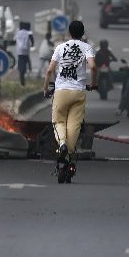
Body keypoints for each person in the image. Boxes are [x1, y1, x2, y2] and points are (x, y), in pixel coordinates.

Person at [42, 20, 97, 165]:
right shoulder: (87, 47)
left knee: (58, 121)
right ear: (83, 33)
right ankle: (69, 152)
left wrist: (45, 89)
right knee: (74, 125)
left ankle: (62, 144)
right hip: (78, 92)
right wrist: (93, 84)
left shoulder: (60, 47)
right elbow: (93, 67)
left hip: (61, 91)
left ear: (69, 33)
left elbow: (49, 70)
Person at [14, 22, 35, 86]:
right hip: (26, 50)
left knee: (21, 62)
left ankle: (22, 72)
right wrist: (32, 45)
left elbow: (14, 39)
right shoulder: (29, 32)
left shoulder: (18, 32)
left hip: (19, 51)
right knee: (27, 60)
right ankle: (28, 70)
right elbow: (32, 40)